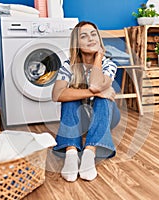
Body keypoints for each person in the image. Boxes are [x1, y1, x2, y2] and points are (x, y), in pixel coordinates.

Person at [52, 21, 121, 182]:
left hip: (106, 116)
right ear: (77, 43)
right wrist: (96, 92)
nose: (90, 38)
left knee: (103, 100)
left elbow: (96, 84)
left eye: (93, 34)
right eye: (84, 36)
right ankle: (71, 153)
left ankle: (90, 152)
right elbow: (56, 94)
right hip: (80, 118)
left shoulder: (108, 64)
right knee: (69, 99)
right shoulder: (68, 65)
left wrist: (99, 57)